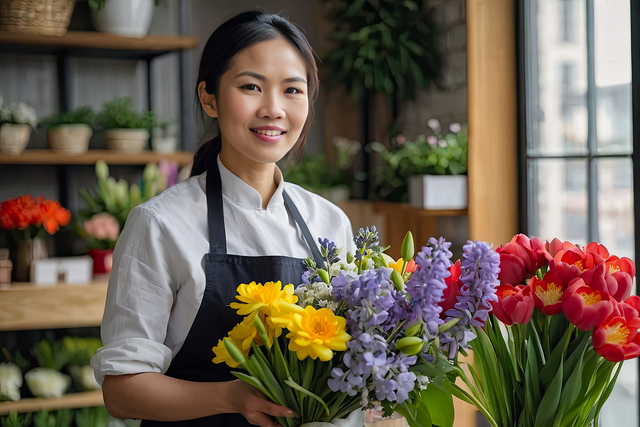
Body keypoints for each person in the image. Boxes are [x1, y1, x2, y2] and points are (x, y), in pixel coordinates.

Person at [91, 11, 356, 427]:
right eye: (251, 86)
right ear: (209, 97)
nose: (273, 108)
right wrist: (230, 397)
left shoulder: (329, 222)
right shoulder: (160, 224)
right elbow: (123, 391)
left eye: (292, 90)